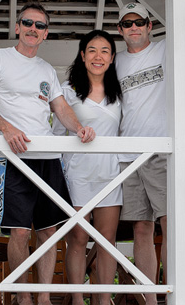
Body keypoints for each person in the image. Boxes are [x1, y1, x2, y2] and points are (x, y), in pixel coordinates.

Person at [0, 2, 95, 305]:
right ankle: (24, 298)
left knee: (49, 232)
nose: (34, 29)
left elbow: (61, 108)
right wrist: (7, 129)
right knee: (20, 233)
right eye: (28, 23)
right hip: (12, 159)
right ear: (18, 27)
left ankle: (44, 298)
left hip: (48, 159)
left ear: (46, 33)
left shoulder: (47, 69)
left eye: (40, 26)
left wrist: (79, 129)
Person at [115, 0, 185, 304]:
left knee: (171, 226)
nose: (133, 27)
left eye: (139, 22)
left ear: (149, 25)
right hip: (127, 157)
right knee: (141, 229)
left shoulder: (167, 49)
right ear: (120, 29)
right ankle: (149, 300)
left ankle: (176, 298)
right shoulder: (112, 62)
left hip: (162, 152)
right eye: (127, 23)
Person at [52, 29, 123, 305]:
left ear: (112, 57)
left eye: (105, 51)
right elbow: (57, 134)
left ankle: (104, 300)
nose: (98, 56)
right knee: (78, 238)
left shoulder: (119, 93)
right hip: (78, 173)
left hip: (112, 173)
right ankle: (78, 300)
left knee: (107, 240)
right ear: (82, 55)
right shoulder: (67, 92)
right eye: (92, 50)